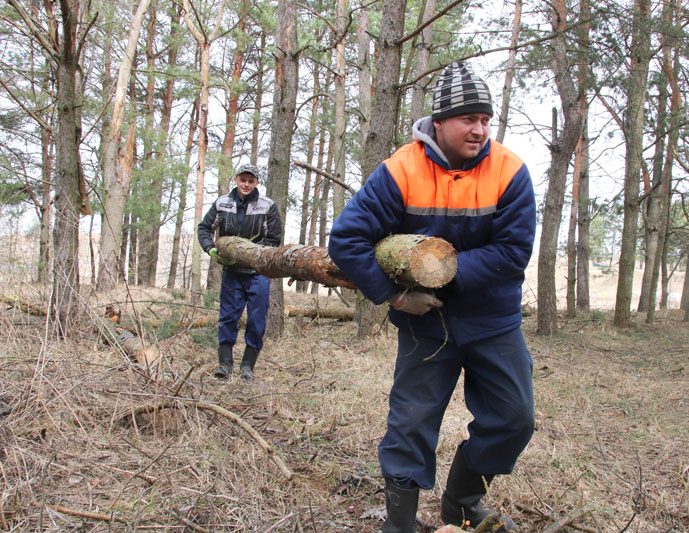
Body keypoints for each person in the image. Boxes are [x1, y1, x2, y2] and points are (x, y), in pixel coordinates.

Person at [328, 61, 536, 532]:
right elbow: (346, 239)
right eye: (468, 119)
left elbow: (513, 252)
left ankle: (461, 502)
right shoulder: (402, 169)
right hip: (425, 324)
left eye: (485, 119)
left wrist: (444, 277)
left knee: (514, 418)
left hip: (493, 321)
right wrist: (395, 297)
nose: (479, 129)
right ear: (439, 122)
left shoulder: (510, 171)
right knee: (411, 424)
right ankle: (400, 523)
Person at [198, 164, 282, 380]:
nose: (246, 184)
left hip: (258, 273)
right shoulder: (222, 203)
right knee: (228, 317)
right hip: (232, 272)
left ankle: (247, 367)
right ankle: (224, 365)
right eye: (243, 180)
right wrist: (211, 249)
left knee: (256, 320)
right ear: (236, 179)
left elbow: (273, 240)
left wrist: (248, 253)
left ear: (257, 182)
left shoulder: (267, 206)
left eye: (250, 181)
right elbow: (204, 228)